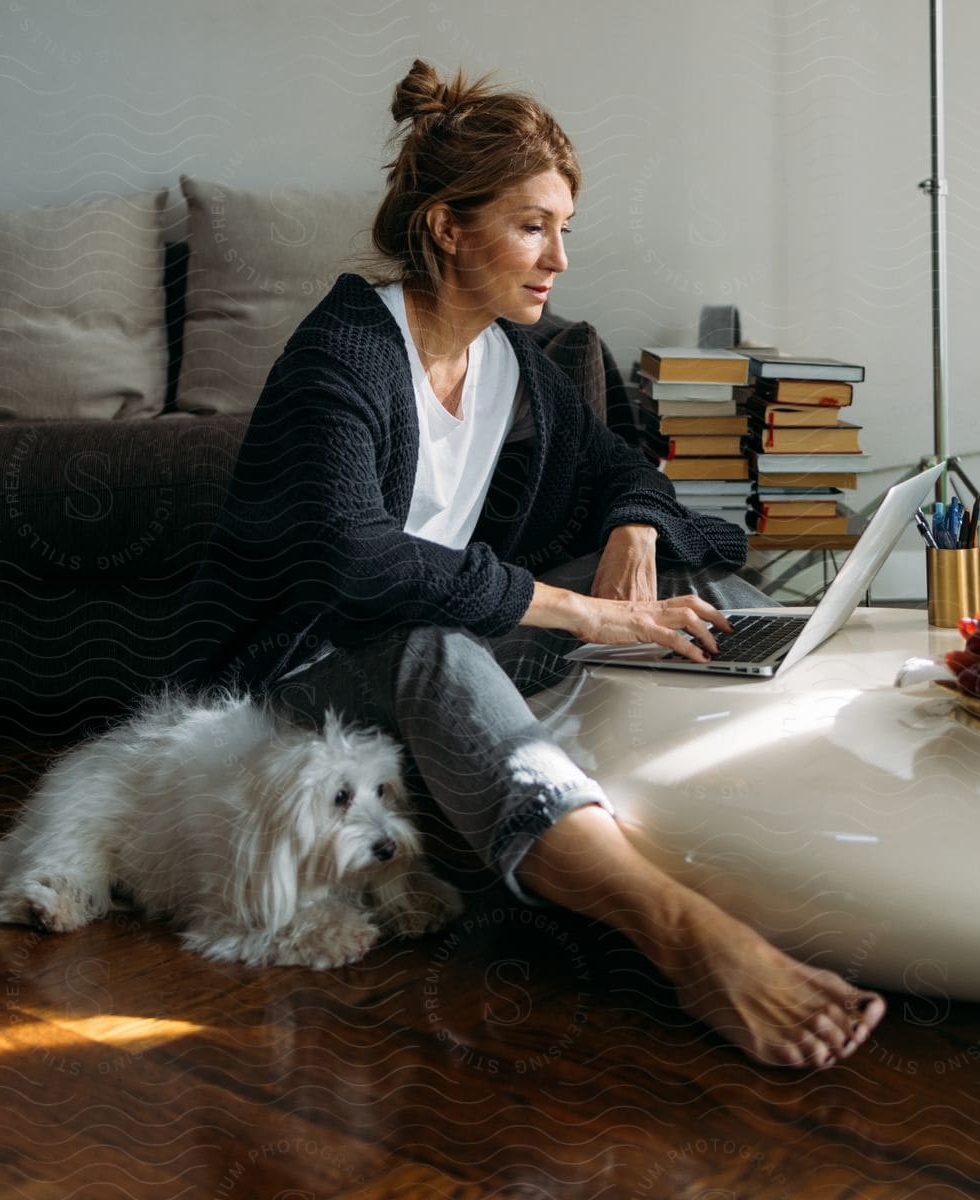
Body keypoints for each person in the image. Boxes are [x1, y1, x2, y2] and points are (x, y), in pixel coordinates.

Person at [177, 60, 885, 1069]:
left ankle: (771, 810)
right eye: (531, 226)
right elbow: (362, 568)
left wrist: (633, 531)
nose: (558, 257)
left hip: (425, 644)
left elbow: (626, 471)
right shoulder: (345, 353)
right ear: (445, 229)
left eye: (565, 229)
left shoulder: (512, 362)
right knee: (437, 640)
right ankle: (681, 932)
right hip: (297, 679)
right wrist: (585, 616)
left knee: (689, 589)